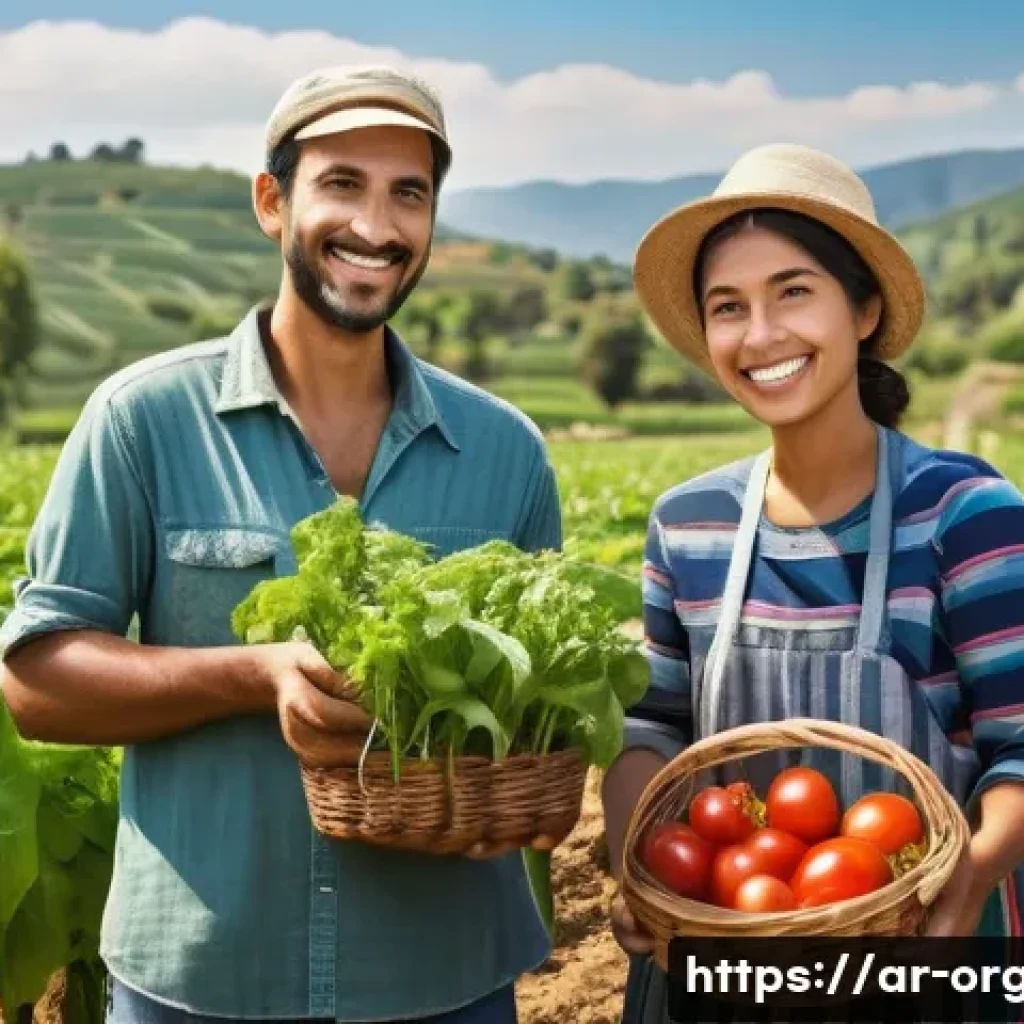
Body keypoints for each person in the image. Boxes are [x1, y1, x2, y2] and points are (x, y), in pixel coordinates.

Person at [0, 65, 562, 1024]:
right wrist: (253, 674)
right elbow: (37, 683)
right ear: (273, 201)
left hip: (446, 978)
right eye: (342, 184)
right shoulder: (143, 420)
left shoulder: (505, 449)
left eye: (409, 194)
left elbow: (534, 705)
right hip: (203, 981)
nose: (376, 226)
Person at [600, 143, 1024, 1022]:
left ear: (864, 309)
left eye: (793, 291)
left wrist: (970, 875)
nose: (761, 336)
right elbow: (652, 728)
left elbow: (1020, 746)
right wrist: (641, 863)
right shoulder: (689, 523)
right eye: (729, 307)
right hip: (723, 960)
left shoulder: (962, 512)